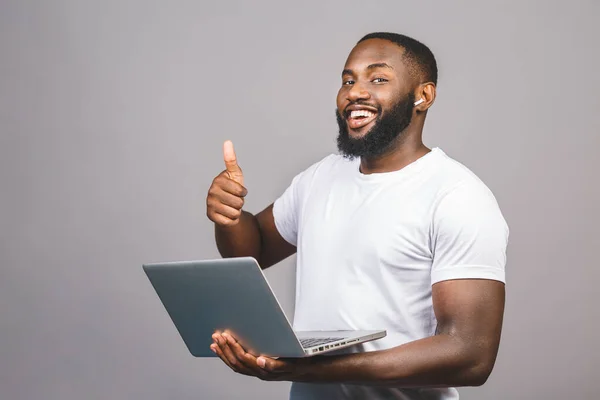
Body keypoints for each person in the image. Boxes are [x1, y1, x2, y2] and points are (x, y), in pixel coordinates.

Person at [205, 32, 509, 400]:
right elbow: (252, 250)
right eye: (348, 80)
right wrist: (229, 217)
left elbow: (470, 356)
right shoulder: (319, 178)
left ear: (423, 96)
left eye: (378, 79)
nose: (354, 92)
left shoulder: (457, 195)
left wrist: (311, 370)